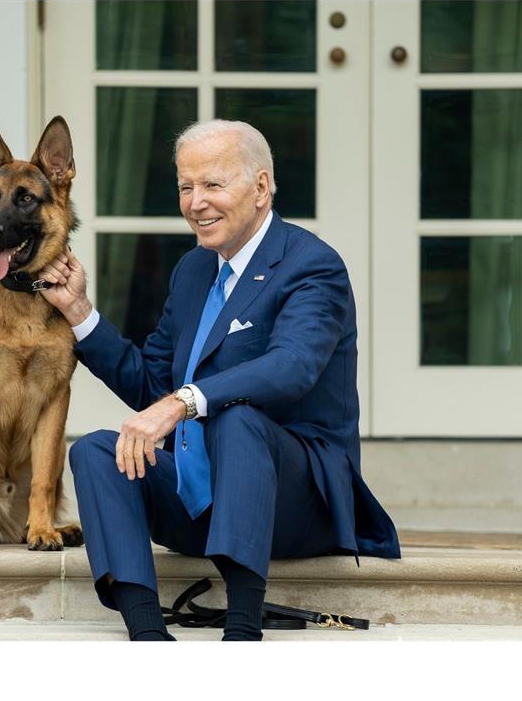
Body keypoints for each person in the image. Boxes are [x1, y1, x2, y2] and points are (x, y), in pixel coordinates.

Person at [38, 119, 400, 641]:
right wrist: (79, 313)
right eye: (186, 187)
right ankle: (145, 632)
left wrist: (184, 402)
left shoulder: (312, 265)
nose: (195, 202)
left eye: (212, 185)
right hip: (203, 498)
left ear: (260, 187)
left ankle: (242, 627)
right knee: (98, 450)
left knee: (238, 419)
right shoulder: (193, 270)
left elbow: (292, 367)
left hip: (294, 504)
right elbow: (152, 388)